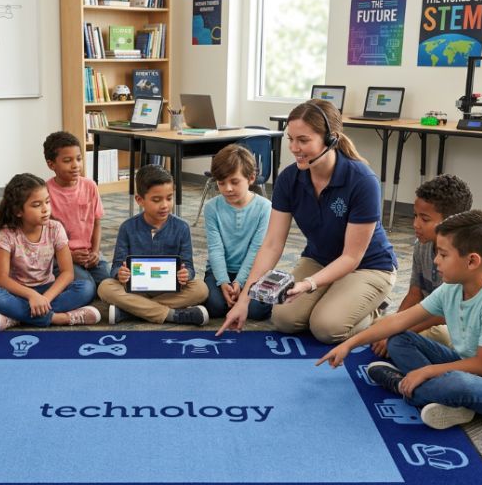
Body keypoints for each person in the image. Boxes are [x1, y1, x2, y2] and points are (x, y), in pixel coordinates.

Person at [318, 210, 482, 429]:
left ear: (472, 261)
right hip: (466, 363)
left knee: (457, 382)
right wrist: (349, 344)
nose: (436, 261)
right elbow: (399, 321)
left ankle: (401, 385)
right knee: (398, 338)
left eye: (443, 254)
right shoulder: (451, 288)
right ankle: (436, 394)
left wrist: (426, 371)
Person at [217, 99, 397, 343]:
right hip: (319, 259)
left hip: (368, 265)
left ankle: (373, 311)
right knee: (284, 320)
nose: (294, 148)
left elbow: (351, 257)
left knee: (326, 327)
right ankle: (338, 298)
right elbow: (271, 244)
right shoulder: (289, 179)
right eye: (290, 139)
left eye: (303, 140)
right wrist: (245, 299)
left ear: (331, 139)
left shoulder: (362, 181)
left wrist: (310, 284)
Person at [0, 173, 100, 329]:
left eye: (47, 202)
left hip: (48, 289)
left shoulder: (55, 228)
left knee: (86, 288)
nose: (45, 209)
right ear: (18, 211)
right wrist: (32, 295)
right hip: (18, 292)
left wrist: (45, 299)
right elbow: (1, 278)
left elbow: (67, 273)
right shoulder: (6, 234)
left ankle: (17, 317)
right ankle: (60, 318)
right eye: (36, 205)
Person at [371, 173, 472, 356]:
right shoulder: (422, 246)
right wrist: (394, 324)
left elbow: (443, 314)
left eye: (425, 219)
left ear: (452, 222)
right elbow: (414, 293)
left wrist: (400, 330)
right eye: (415, 216)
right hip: (421, 316)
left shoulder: (461, 259)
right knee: (381, 329)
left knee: (435, 336)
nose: (415, 224)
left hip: (450, 325)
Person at [97, 163, 210, 324]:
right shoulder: (127, 227)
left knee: (201, 289)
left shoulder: (182, 227)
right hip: (136, 290)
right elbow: (116, 266)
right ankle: (172, 314)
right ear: (139, 200)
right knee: (105, 287)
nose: (164, 205)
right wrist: (119, 274)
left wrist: (186, 274)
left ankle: (132, 311)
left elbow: (189, 266)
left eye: (169, 198)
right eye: (157, 200)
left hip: (169, 290)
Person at [202, 144, 272, 321]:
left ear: (251, 178)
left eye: (234, 182)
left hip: (254, 272)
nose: (227, 189)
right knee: (214, 306)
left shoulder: (265, 208)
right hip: (220, 273)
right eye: (221, 183)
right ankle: (234, 299)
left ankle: (241, 299)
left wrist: (240, 282)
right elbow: (215, 249)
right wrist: (224, 282)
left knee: (257, 311)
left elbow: (256, 249)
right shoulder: (212, 208)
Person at [43, 130, 110, 293]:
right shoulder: (45, 192)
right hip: (61, 257)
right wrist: (68, 256)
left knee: (109, 283)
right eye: (67, 160)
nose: (76, 165)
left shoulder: (90, 186)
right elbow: (43, 237)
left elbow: (96, 223)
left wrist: (95, 251)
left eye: (79, 159)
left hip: (89, 254)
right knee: (88, 287)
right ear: (51, 164)